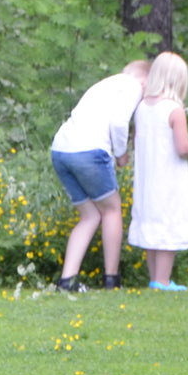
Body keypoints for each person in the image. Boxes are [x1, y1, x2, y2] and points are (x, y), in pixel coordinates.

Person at [47, 60, 149, 293]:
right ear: (145, 81)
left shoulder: (105, 85)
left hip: (61, 150)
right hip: (89, 151)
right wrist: (122, 154)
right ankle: (112, 279)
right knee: (112, 209)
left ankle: (67, 281)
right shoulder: (133, 86)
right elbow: (119, 122)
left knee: (90, 215)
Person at [126, 51, 188, 291]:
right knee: (167, 227)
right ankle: (162, 281)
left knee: (152, 227)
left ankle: (154, 277)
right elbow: (182, 148)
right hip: (168, 179)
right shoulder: (174, 110)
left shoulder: (141, 108)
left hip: (147, 179)